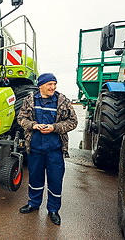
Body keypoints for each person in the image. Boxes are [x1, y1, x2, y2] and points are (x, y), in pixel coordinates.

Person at [17, 73, 78, 225]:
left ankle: (53, 210)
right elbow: (21, 118)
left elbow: (73, 121)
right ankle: (33, 203)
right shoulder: (30, 100)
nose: (53, 87)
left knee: (55, 180)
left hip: (54, 150)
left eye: (54, 84)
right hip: (36, 149)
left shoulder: (62, 101)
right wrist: (33, 125)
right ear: (41, 85)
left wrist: (54, 127)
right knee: (35, 178)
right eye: (50, 84)